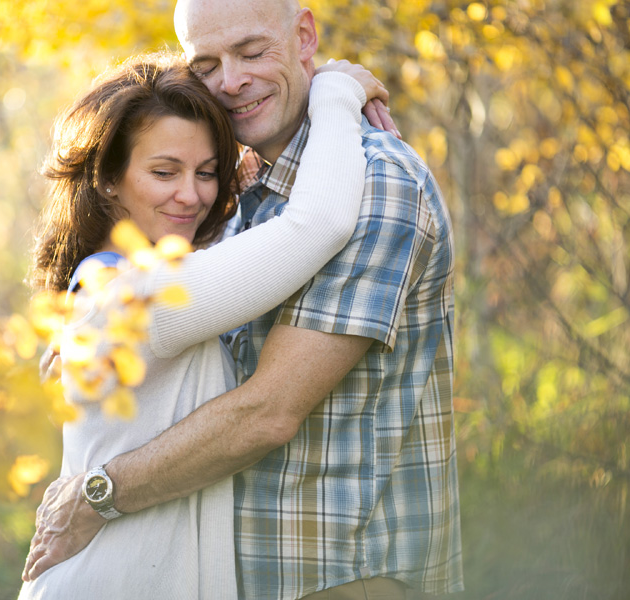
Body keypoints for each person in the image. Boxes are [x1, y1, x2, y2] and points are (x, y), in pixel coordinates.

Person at [25, 1, 464, 599]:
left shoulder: (373, 181)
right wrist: (333, 88)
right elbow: (310, 227)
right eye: (206, 64)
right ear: (107, 180)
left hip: (338, 576)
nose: (231, 82)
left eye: (253, 52)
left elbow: (268, 411)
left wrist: (98, 492)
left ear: (304, 35)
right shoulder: (158, 270)